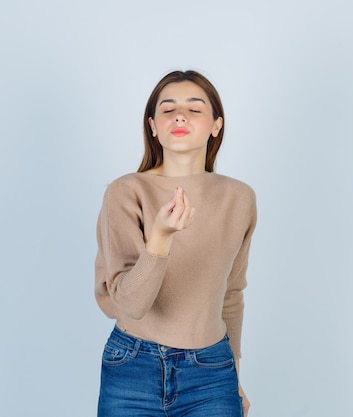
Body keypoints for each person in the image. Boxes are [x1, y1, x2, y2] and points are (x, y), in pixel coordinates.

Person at [94, 70, 256, 417]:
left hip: (213, 371)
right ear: (153, 126)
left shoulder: (239, 197)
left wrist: (236, 378)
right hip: (132, 368)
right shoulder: (125, 193)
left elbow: (231, 294)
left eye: (195, 109)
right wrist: (160, 238)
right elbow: (130, 306)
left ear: (216, 125)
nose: (180, 115)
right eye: (168, 109)